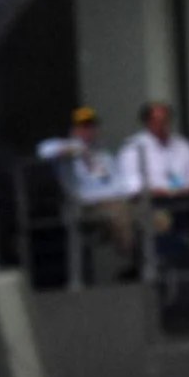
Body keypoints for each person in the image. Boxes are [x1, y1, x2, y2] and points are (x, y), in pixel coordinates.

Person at [35, 105, 138, 274]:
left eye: (91, 126)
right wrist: (78, 149)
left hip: (114, 201)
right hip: (85, 206)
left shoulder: (103, 154)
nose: (88, 131)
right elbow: (44, 150)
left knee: (150, 214)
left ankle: (143, 262)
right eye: (83, 126)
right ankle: (138, 261)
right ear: (74, 129)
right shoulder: (67, 151)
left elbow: (118, 183)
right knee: (118, 212)